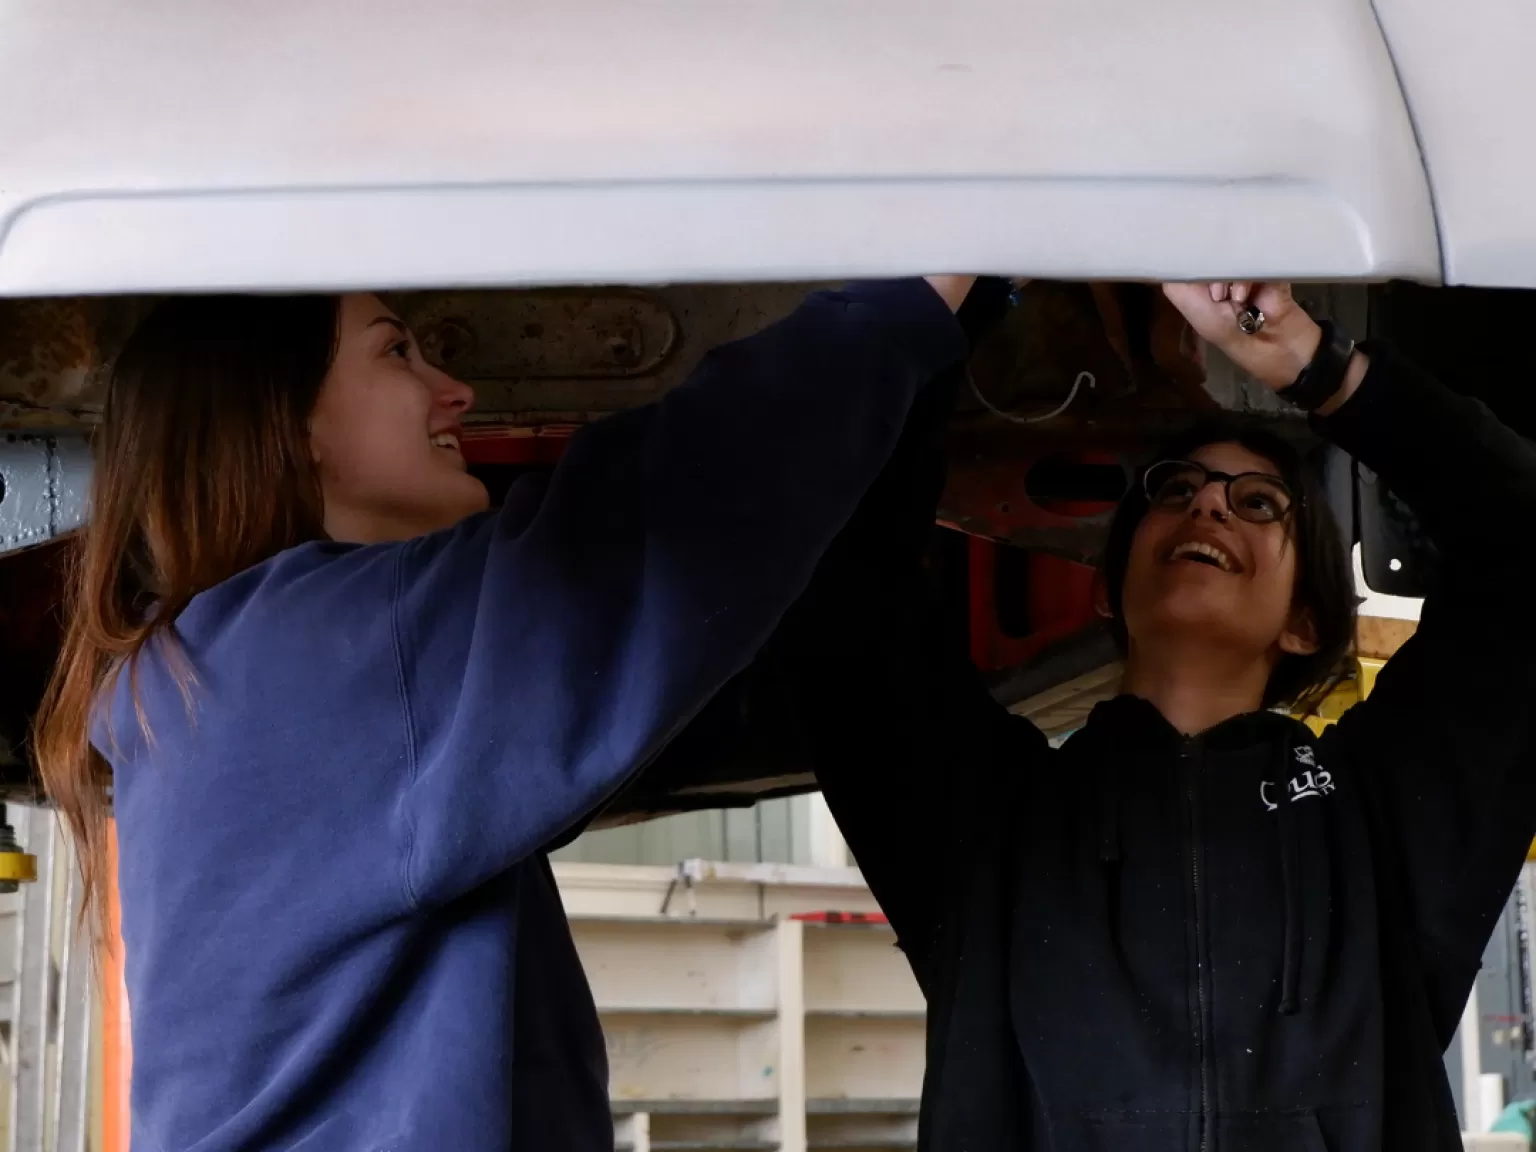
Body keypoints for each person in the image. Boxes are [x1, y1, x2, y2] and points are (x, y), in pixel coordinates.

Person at [32, 275, 977, 1152]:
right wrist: (913, 291)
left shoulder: (221, 676)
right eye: (396, 352)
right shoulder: (310, 655)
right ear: (289, 421)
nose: (458, 393)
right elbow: (655, 529)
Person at [775, 281, 1536, 1151]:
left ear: (1305, 620)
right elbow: (847, 570)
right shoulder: (988, 826)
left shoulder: (1383, 831)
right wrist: (961, 291)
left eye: (1257, 503)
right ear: (1109, 590)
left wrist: (1314, 366)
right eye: (1174, 491)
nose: (1207, 505)